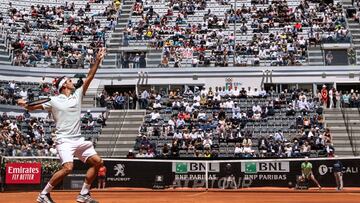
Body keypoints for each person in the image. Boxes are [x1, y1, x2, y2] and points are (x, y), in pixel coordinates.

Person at [18, 48, 107, 203]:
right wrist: (24, 104)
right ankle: (44, 194)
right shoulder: (53, 100)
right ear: (64, 85)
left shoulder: (77, 94)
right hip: (64, 139)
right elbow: (32, 107)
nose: (73, 82)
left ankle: (84, 194)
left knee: (98, 162)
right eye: (70, 81)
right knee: (68, 168)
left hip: (78, 139)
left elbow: (90, 76)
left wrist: (98, 60)